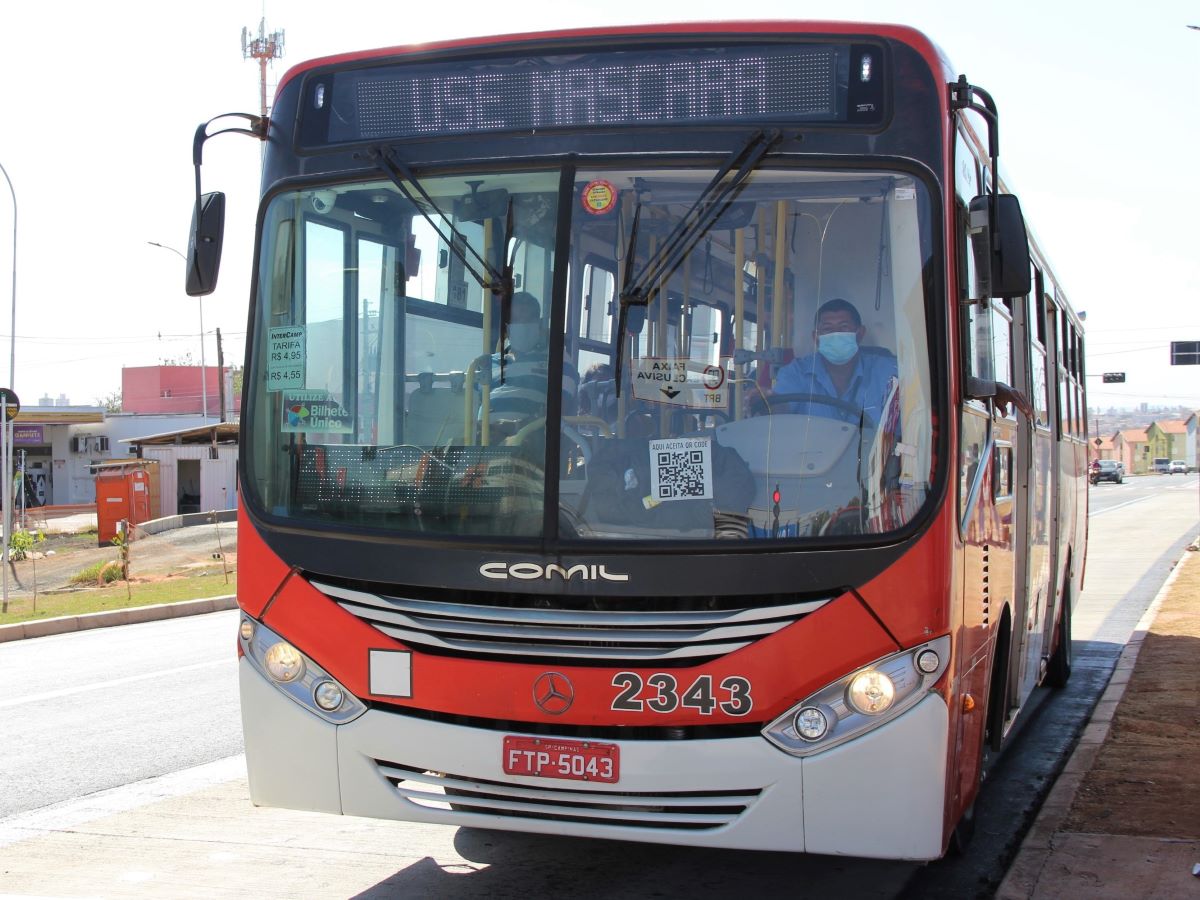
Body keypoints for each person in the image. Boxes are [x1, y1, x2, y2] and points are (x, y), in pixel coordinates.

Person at [769, 297, 897, 427]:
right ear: (816, 338)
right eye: (828, 329)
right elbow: (780, 410)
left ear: (860, 334)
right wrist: (765, 402)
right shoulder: (796, 372)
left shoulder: (889, 370)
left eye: (844, 327)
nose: (836, 334)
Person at [486, 291, 576, 436]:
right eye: (516, 320)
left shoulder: (557, 358)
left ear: (539, 324)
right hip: (483, 437)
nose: (522, 325)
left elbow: (560, 407)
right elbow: (469, 406)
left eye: (528, 320)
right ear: (508, 328)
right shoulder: (489, 363)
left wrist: (519, 427)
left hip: (528, 444)